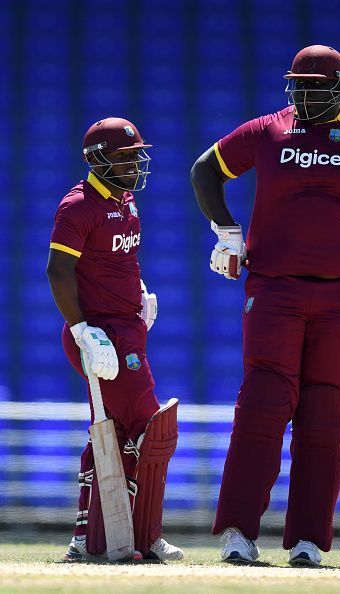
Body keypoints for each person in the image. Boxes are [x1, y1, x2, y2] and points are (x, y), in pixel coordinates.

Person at [191, 45, 340, 566]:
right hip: (274, 290)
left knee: (324, 414)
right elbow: (205, 172)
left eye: (316, 85)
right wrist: (227, 232)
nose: (305, 94)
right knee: (262, 405)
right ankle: (239, 534)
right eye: (300, 84)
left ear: (339, 87)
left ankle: (309, 541)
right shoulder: (269, 130)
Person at [47, 117, 183, 562]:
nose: (134, 165)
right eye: (124, 157)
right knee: (150, 431)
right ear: (97, 159)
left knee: (109, 431)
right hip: (101, 336)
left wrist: (139, 294)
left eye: (135, 156)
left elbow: (119, 261)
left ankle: (90, 537)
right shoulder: (78, 206)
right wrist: (84, 331)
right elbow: (58, 271)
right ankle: (147, 535)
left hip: (127, 330)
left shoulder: (126, 201)